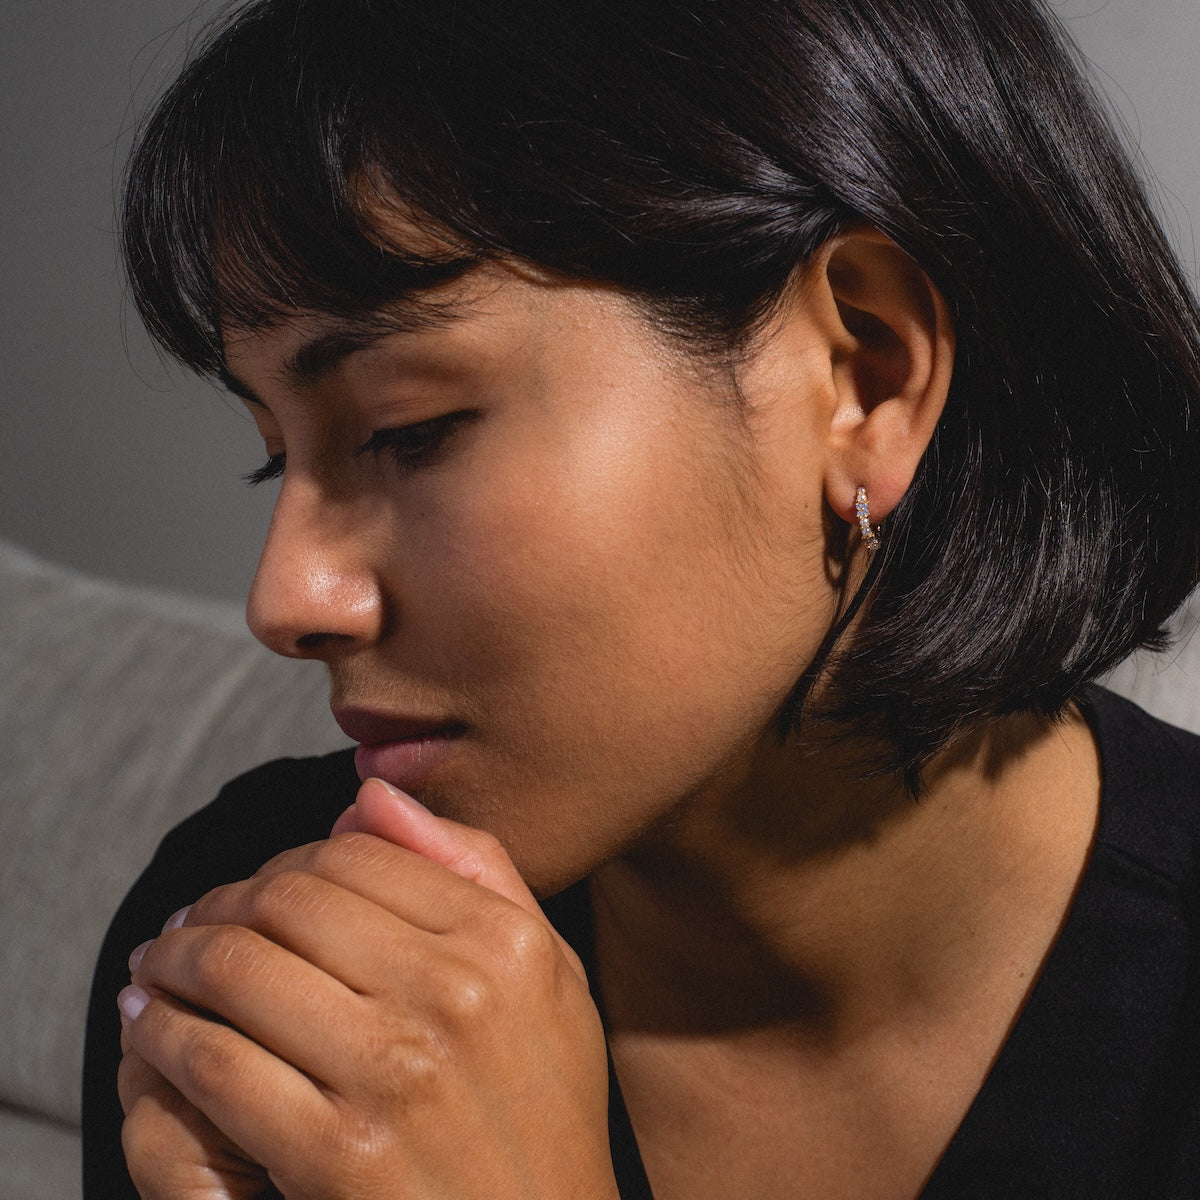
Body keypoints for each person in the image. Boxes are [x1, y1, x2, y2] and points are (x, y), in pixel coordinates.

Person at [82, 0, 1200, 1196]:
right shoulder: (257, 954)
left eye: (410, 431)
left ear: (862, 373)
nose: (287, 598)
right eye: (273, 457)